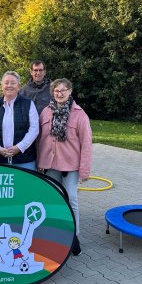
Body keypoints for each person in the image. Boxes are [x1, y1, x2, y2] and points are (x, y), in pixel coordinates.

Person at [36, 78, 92, 256]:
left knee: (71, 200)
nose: (59, 93)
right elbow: (39, 140)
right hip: (50, 164)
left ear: (70, 91)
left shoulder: (79, 114)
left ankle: (74, 237)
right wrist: (39, 163)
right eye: (56, 90)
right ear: (53, 92)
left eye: (63, 90)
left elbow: (86, 144)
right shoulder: (45, 112)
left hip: (70, 166)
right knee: (53, 200)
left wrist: (84, 170)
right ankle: (55, 234)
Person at [0, 71, 39, 171]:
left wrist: (19, 147)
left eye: (13, 83)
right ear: (2, 86)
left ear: (19, 86)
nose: (9, 85)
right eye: (6, 82)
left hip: (24, 161)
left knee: (24, 187)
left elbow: (34, 129)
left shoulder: (29, 104)